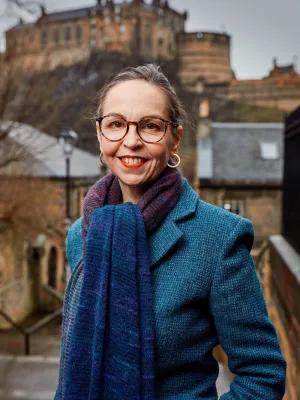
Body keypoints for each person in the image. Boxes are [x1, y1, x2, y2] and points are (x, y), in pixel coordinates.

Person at [55, 64, 286, 400]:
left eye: (150, 126)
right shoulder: (81, 234)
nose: (131, 141)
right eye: (116, 124)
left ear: (174, 137)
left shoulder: (219, 238)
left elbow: (263, 374)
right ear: (100, 134)